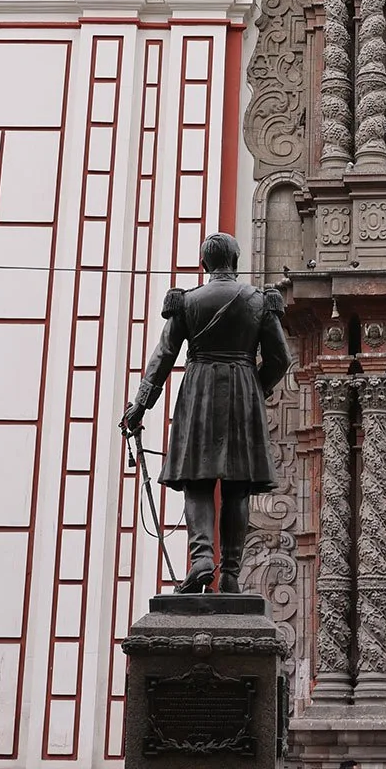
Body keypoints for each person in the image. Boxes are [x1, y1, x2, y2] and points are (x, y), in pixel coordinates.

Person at [122, 232, 291, 593]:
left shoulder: (188, 302)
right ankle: (230, 572)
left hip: (198, 390)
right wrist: (257, 386)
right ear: (236, 260)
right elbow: (281, 358)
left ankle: (201, 559)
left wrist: (140, 405)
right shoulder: (260, 301)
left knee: (197, 480)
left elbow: (164, 355)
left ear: (205, 265)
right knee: (237, 487)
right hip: (243, 388)